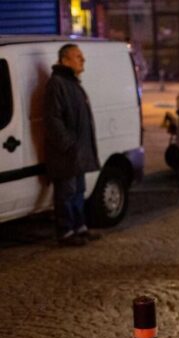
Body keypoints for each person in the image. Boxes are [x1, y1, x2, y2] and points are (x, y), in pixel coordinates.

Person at [44, 44, 102, 247]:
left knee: (78, 191)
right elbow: (53, 120)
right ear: (65, 60)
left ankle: (79, 227)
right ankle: (66, 231)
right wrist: (68, 145)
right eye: (78, 56)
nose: (82, 60)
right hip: (66, 154)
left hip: (77, 152)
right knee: (66, 193)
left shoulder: (72, 83)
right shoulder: (58, 84)